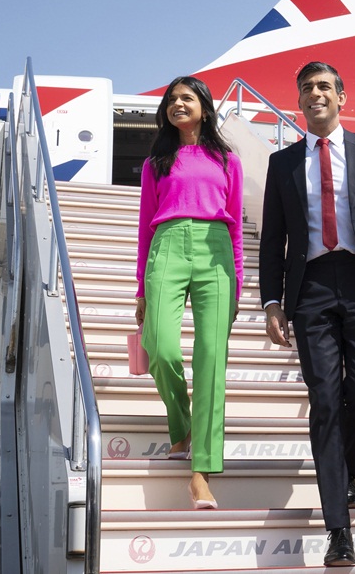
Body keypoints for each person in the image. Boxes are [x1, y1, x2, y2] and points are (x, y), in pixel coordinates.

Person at [259, 61, 355, 566]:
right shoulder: (282, 164)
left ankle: (345, 473)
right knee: (325, 401)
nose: (315, 94)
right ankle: (338, 530)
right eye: (306, 89)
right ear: (299, 102)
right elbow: (272, 241)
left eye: (324, 86)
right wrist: (271, 302)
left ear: (342, 97)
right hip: (309, 290)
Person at [134, 76, 243, 510]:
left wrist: (236, 280)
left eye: (187, 97)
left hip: (215, 250)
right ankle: (180, 425)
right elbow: (144, 227)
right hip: (167, 246)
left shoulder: (227, 159)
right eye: (171, 99)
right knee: (160, 347)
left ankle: (201, 474)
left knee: (212, 361)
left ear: (204, 106)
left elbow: (235, 224)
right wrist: (141, 286)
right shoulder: (156, 162)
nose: (178, 104)